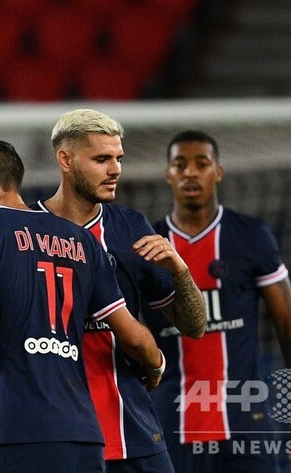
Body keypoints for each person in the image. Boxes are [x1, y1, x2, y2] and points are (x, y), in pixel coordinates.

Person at [0, 139, 165, 473]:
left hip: (23, 434)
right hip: (86, 439)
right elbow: (134, 338)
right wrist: (156, 366)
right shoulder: (81, 239)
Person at [31, 109, 206, 472]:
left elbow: (194, 326)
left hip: (133, 428)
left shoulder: (130, 228)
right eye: (101, 159)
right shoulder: (24, 232)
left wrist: (180, 270)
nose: (115, 170)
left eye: (118, 158)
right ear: (65, 160)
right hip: (56, 436)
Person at [141, 130, 291, 472]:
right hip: (170, 425)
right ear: (168, 174)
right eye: (180, 165)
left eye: (201, 164)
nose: (191, 173)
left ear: (218, 172)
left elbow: (289, 325)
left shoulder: (250, 236)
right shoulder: (148, 245)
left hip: (245, 423)